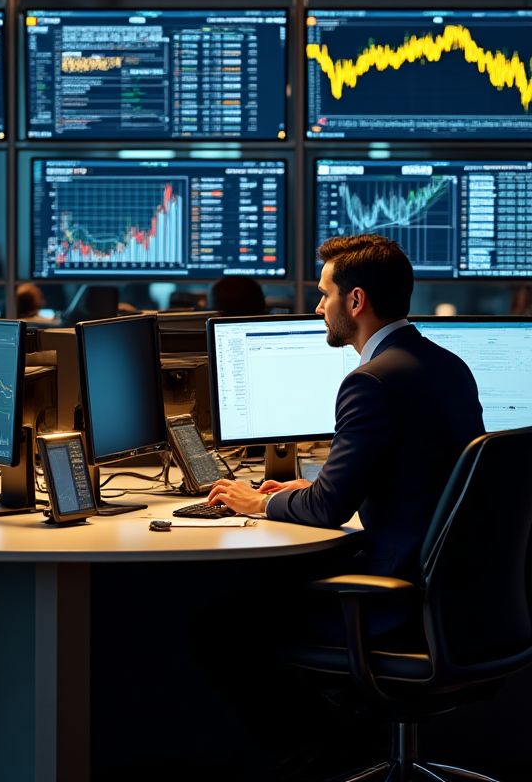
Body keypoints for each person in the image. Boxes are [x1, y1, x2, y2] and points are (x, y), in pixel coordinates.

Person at [207, 234, 485, 584]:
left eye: (325, 295)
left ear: (356, 301)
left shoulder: (370, 381)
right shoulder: (449, 364)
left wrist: (257, 502)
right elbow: (414, 477)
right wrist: (316, 489)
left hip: (395, 588)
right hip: (455, 587)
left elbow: (328, 510)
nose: (319, 309)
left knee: (230, 606)